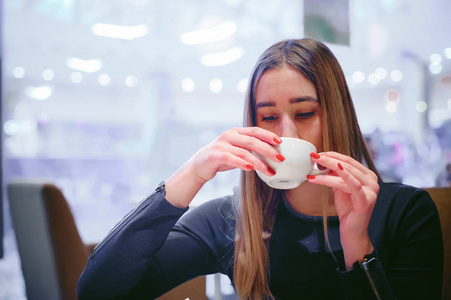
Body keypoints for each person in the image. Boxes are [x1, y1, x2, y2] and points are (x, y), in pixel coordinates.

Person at [77, 39, 443, 299]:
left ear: (339, 114)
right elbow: (98, 290)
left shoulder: (406, 211)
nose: (285, 135)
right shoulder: (233, 219)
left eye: (304, 114)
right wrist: (192, 173)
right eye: (268, 117)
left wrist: (357, 245)